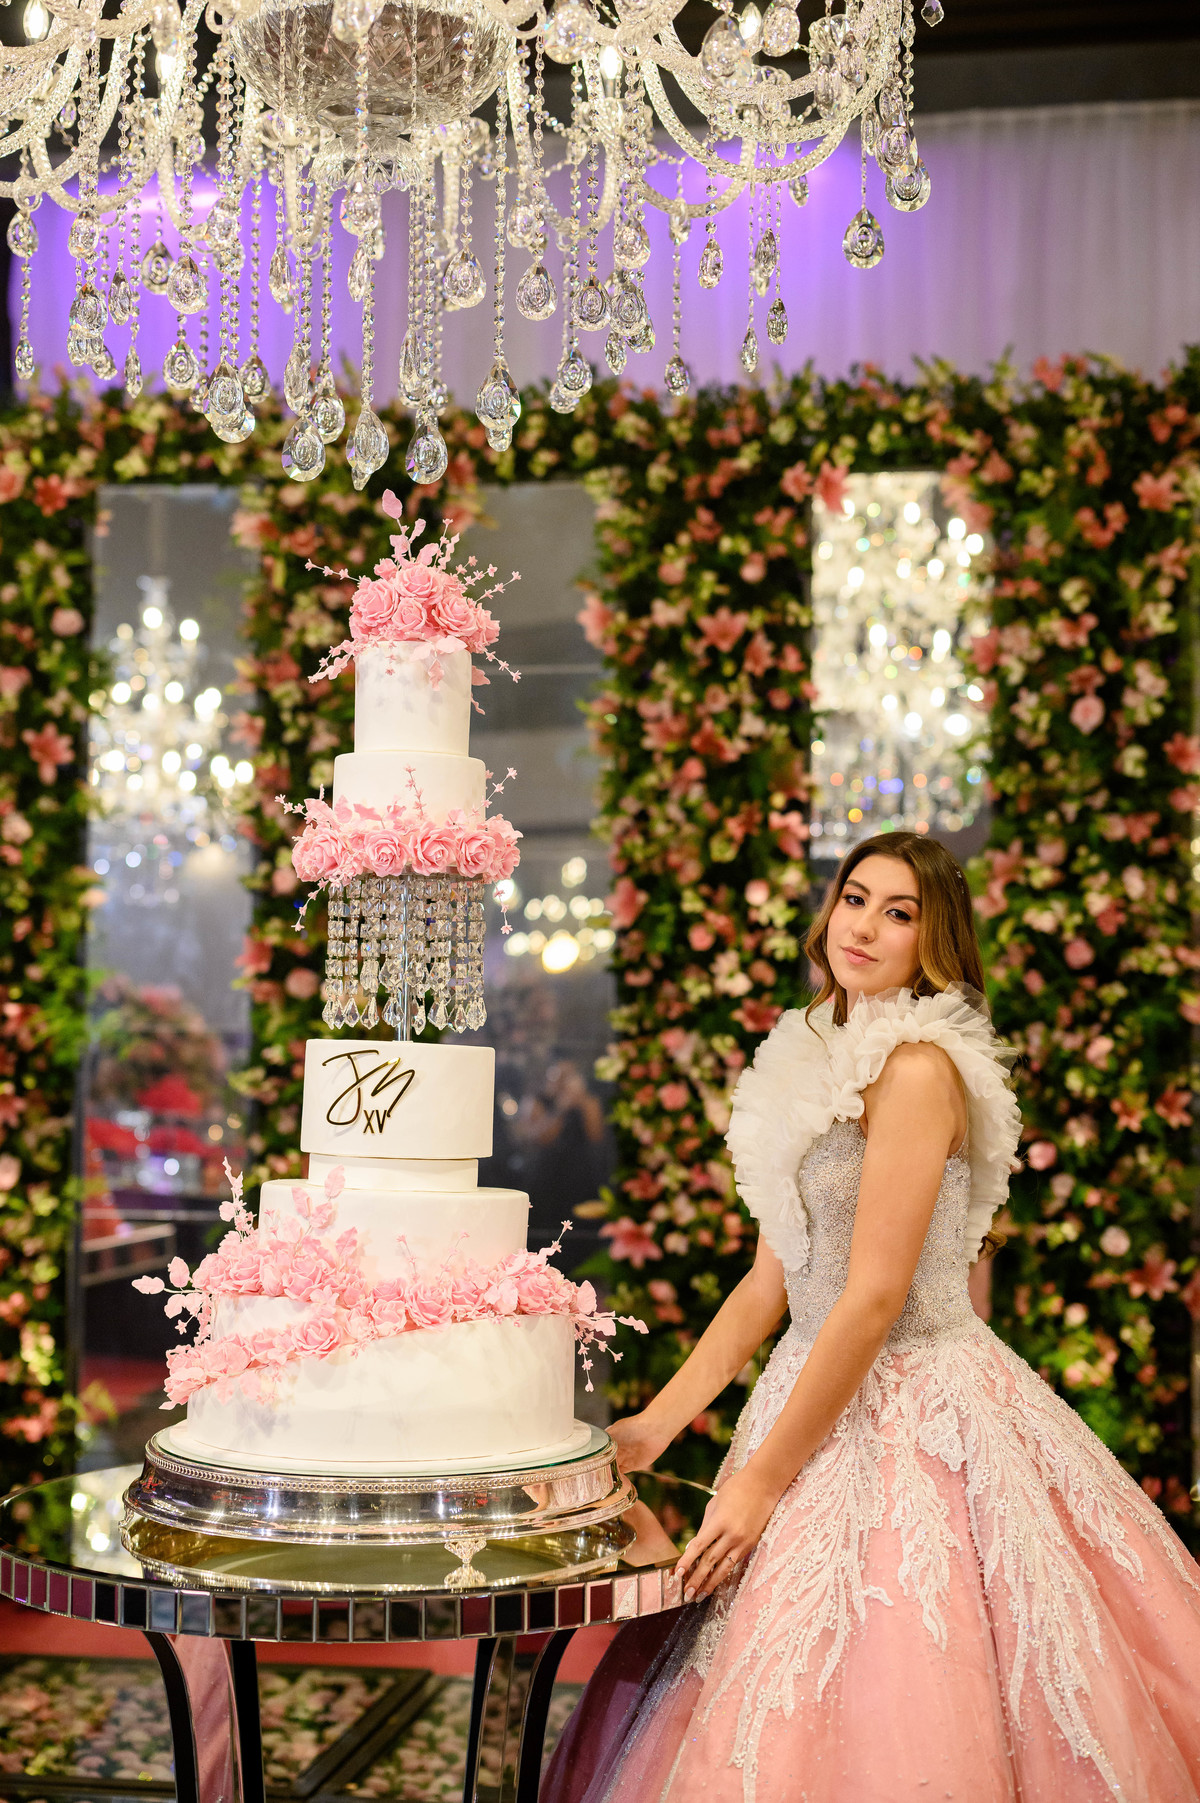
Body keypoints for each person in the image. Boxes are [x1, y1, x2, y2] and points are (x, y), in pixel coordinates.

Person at [543, 831, 1200, 1803]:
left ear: (934, 941)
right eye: (856, 897)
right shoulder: (810, 1056)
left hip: (920, 1403)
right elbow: (769, 1283)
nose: (865, 926)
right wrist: (655, 1425)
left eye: (900, 913)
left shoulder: (920, 1068)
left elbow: (876, 1295)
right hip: (810, 1379)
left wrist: (762, 1481)